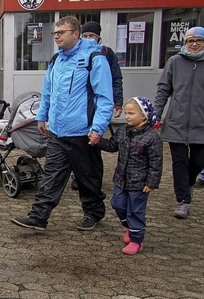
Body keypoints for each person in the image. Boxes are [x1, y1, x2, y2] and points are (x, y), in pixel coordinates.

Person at [11, 16, 114, 231]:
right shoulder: (56, 60)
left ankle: (93, 212)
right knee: (52, 175)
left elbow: (104, 97)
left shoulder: (94, 57)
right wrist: (42, 116)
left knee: (87, 177)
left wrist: (98, 128)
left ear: (75, 34)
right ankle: (38, 217)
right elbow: (48, 90)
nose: (56, 36)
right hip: (57, 130)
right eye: (55, 33)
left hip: (83, 132)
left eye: (61, 32)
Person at [97, 97, 163, 255]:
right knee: (118, 204)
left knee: (135, 211)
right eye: (126, 113)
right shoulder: (123, 131)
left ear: (144, 116)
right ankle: (131, 228)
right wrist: (98, 141)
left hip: (139, 184)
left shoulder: (152, 138)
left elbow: (156, 162)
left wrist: (151, 182)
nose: (127, 116)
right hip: (121, 179)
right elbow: (113, 146)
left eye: (131, 113)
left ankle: (136, 240)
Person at [154, 26, 204, 219]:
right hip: (177, 121)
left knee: (199, 161)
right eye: (190, 40)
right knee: (179, 162)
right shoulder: (175, 61)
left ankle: (188, 184)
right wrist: (156, 114)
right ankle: (183, 200)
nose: (194, 44)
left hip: (201, 123)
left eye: (198, 41)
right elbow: (163, 89)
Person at [71, 20, 125, 190]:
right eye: (85, 36)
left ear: (98, 38)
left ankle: (94, 177)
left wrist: (117, 103)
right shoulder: (75, 53)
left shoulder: (107, 54)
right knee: (78, 143)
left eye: (92, 36)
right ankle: (76, 175)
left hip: (99, 105)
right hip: (80, 105)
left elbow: (116, 79)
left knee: (94, 142)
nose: (88, 39)